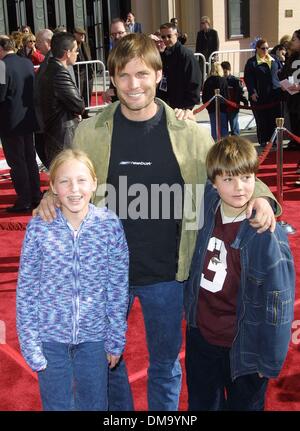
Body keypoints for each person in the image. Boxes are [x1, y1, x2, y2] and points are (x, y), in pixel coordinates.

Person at [35, 33, 280, 411]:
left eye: (142, 74)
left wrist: (262, 196)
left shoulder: (187, 134)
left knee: (165, 367)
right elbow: (71, 176)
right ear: (112, 80)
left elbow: (230, 173)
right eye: (124, 76)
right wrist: (52, 195)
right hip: (104, 274)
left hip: (168, 274)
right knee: (107, 364)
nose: (134, 85)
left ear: (158, 75)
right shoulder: (90, 131)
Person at [184, 136, 295, 411]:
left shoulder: (265, 235)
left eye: (246, 178)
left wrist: (268, 360)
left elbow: (278, 302)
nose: (239, 187)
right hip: (203, 338)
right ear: (213, 184)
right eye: (228, 180)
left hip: (245, 349)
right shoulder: (209, 205)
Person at [16, 149, 129, 411]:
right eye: (64, 181)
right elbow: (27, 289)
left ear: (94, 183)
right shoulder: (39, 228)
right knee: (57, 406)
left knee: (95, 405)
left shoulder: (109, 225)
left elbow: (117, 287)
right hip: (50, 341)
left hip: (94, 340)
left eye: (81, 180)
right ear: (53, 187)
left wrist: (115, 339)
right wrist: (30, 342)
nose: (74, 189)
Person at [0, 36, 42, 212]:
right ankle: (35, 195)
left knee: (17, 162)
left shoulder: (2, 66)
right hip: (27, 119)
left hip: (10, 122)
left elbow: (0, 95)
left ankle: (24, 200)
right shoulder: (25, 62)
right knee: (29, 159)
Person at [39, 32, 84, 167]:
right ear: (67, 53)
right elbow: (79, 105)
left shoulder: (49, 68)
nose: (77, 53)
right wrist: (77, 109)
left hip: (54, 132)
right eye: (76, 50)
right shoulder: (59, 73)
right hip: (63, 135)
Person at [244, 38, 282, 147]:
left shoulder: (274, 59)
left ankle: (273, 140)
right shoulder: (251, 63)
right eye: (263, 48)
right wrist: (252, 92)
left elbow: (280, 72)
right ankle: (263, 140)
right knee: (262, 120)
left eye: (267, 48)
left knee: (274, 119)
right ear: (257, 49)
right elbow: (249, 79)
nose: (265, 50)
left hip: (275, 95)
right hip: (260, 97)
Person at [157, 22, 201, 109]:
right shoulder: (163, 55)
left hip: (182, 106)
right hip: (166, 104)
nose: (166, 39)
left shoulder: (186, 55)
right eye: (163, 37)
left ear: (176, 35)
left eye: (169, 36)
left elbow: (194, 81)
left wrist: (188, 107)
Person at [102, 18, 128, 104]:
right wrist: (110, 91)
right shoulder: (113, 51)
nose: (116, 37)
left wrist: (114, 92)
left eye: (120, 33)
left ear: (127, 32)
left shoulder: (135, 52)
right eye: (113, 34)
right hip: (118, 101)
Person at [221, 61, 249, 135]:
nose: (224, 74)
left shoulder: (235, 81)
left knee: (234, 126)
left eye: (225, 72)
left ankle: (236, 142)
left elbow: (240, 93)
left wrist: (245, 101)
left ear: (229, 70)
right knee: (224, 127)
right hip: (223, 107)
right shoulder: (220, 80)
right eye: (223, 72)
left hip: (233, 106)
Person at [202, 62, 229, 140]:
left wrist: (208, 107)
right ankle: (225, 146)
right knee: (224, 127)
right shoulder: (223, 80)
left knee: (214, 128)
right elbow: (227, 96)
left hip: (211, 108)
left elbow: (204, 97)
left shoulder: (207, 81)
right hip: (223, 107)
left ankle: (215, 146)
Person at [73, 27, 94, 118]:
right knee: (79, 93)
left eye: (83, 34)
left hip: (87, 72)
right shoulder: (72, 45)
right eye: (80, 34)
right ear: (74, 34)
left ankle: (86, 112)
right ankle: (79, 113)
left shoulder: (85, 44)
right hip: (78, 72)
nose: (82, 36)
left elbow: (88, 57)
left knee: (88, 92)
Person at [196, 16, 219, 86]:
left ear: (207, 23)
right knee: (201, 73)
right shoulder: (200, 33)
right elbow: (197, 45)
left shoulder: (214, 32)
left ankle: (211, 86)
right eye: (201, 23)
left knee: (211, 73)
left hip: (211, 55)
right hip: (202, 56)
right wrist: (197, 55)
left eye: (203, 23)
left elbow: (216, 44)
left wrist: (215, 55)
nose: (202, 25)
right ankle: (202, 87)